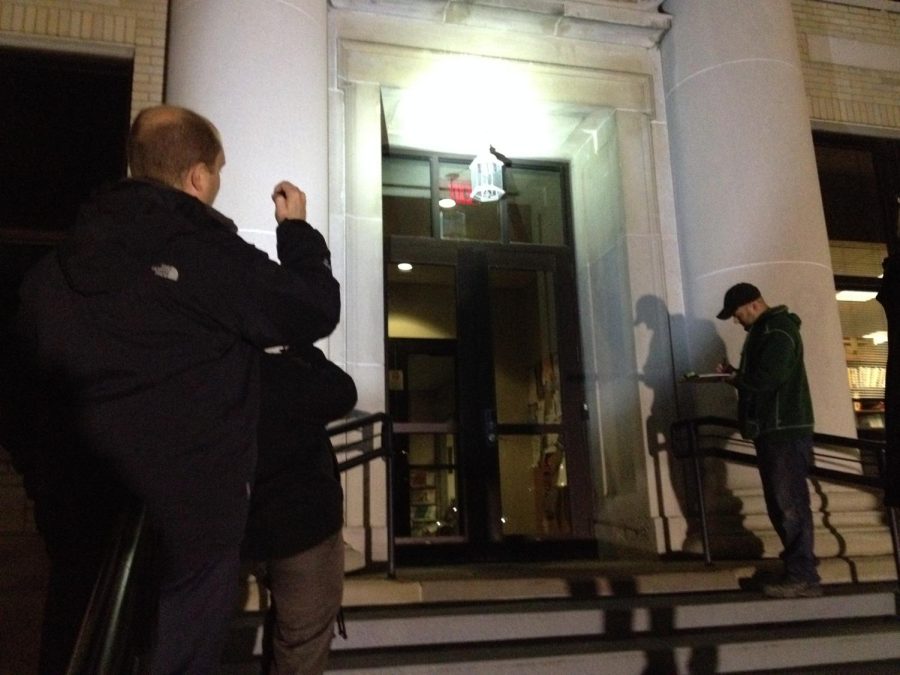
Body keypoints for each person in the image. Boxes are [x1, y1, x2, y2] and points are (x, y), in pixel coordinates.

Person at [13, 104, 341, 674]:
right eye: (217, 171)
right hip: (188, 526)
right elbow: (311, 306)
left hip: (83, 523)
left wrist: (50, 487)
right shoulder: (200, 252)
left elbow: (19, 398)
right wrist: (297, 231)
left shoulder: (52, 272)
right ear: (197, 176)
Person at [243, 345, 357, 674]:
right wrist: (309, 354)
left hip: (240, 522)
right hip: (302, 528)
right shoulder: (286, 374)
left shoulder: (219, 372)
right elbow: (343, 392)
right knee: (302, 643)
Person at [715, 282, 821, 599]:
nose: (736, 321)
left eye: (736, 314)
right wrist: (737, 374)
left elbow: (768, 378)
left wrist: (736, 378)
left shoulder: (777, 330)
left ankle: (802, 574)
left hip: (782, 431)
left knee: (789, 505)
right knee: (784, 504)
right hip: (776, 429)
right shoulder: (770, 330)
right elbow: (768, 375)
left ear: (753, 305)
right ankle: (798, 571)